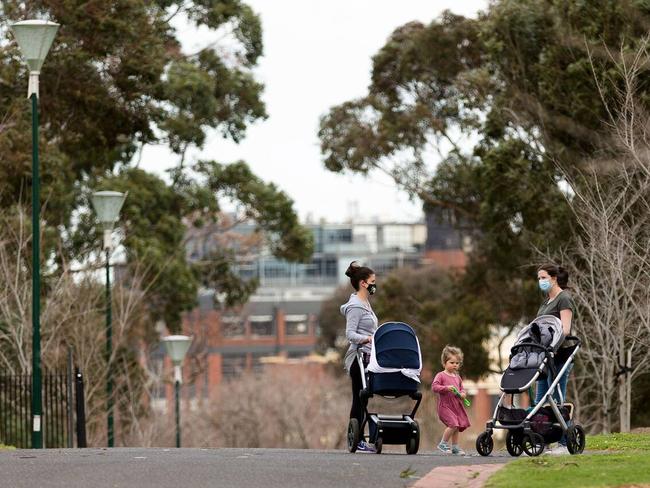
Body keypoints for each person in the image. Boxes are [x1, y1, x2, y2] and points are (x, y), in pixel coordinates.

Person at [534, 263, 577, 454]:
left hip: (559, 355)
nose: (541, 281)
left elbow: (565, 330)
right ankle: (541, 440)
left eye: (543, 278)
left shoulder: (564, 299)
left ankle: (563, 443)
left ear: (553, 278)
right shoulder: (546, 302)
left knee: (557, 399)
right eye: (539, 278)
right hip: (543, 356)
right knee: (540, 399)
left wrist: (552, 344)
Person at [340, 261, 378, 453]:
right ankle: (358, 438)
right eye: (372, 281)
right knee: (359, 397)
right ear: (363, 283)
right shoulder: (355, 306)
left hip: (368, 357)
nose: (374, 285)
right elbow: (350, 334)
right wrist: (369, 338)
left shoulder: (365, 303)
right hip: (357, 357)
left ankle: (362, 436)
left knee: (364, 397)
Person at [431, 345, 471, 455]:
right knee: (453, 424)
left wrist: (463, 394)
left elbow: (462, 388)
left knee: (457, 426)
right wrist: (446, 388)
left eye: (457, 363)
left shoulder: (457, 377)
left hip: (456, 406)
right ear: (444, 363)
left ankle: (455, 447)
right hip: (445, 406)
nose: (455, 365)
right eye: (451, 362)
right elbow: (434, 387)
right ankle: (443, 443)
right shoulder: (441, 375)